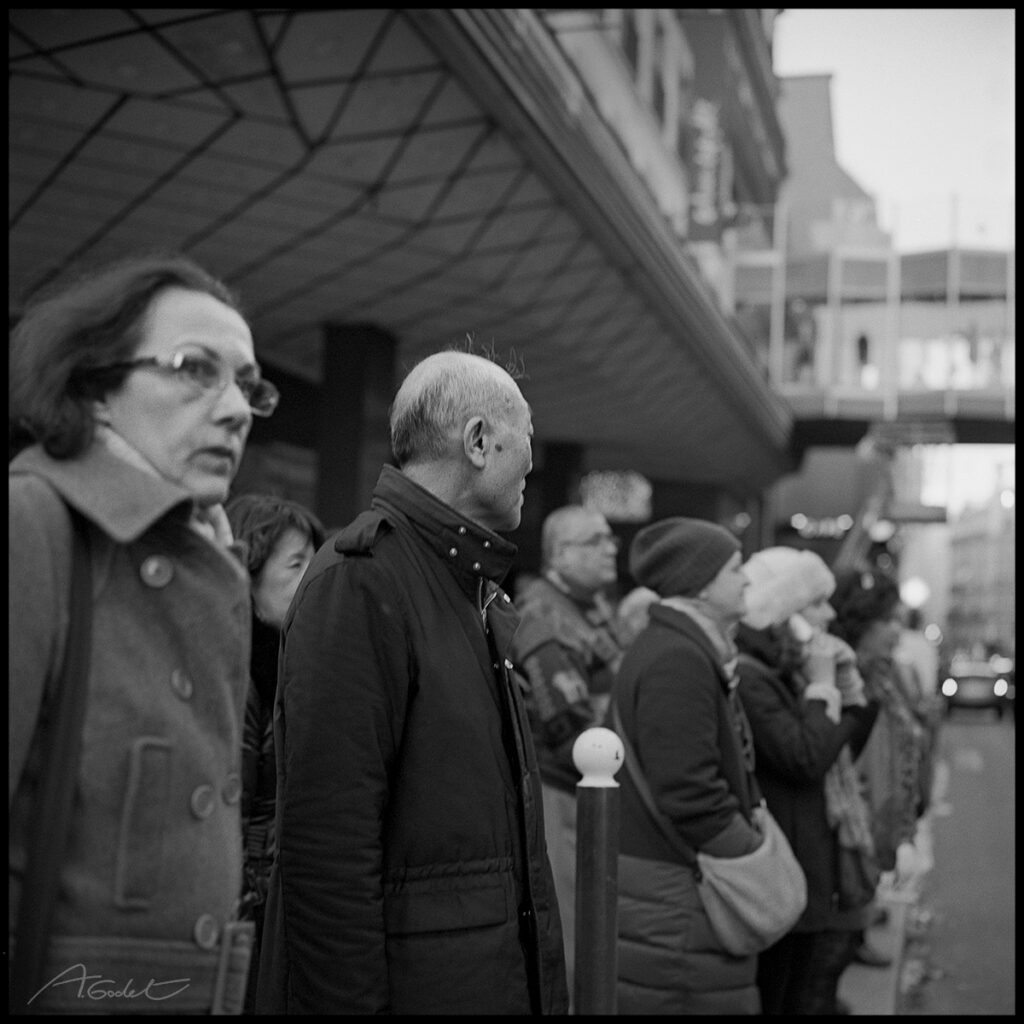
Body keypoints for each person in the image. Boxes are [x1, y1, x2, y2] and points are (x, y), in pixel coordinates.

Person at [255, 349, 568, 1014]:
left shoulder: (468, 586)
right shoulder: (362, 582)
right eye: (526, 438)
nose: (530, 464)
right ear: (478, 442)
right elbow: (328, 848)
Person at [9, 254, 277, 1014]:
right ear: (96, 387)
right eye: (196, 370)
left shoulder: (209, 557)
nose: (235, 409)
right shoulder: (33, 524)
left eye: (247, 385)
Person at [607, 516, 762, 1015]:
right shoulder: (678, 657)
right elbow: (689, 791)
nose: (747, 579)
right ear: (700, 583)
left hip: (670, 887)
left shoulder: (679, 646)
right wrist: (753, 855)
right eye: (735, 568)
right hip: (676, 890)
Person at [735, 547, 880, 1015]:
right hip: (786, 869)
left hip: (808, 863)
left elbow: (842, 746)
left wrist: (849, 691)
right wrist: (823, 685)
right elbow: (805, 757)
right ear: (784, 614)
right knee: (786, 994)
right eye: (816, 603)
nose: (830, 614)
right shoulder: (755, 678)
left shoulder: (789, 671)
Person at [512, 504, 627, 1000]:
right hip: (564, 794)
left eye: (609, 538)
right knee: (577, 940)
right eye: (594, 541)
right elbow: (571, 733)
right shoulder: (544, 614)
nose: (610, 548)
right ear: (559, 554)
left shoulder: (588, 607)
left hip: (587, 793)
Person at [224, 493, 325, 1015]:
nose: (313, 577)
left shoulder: (294, 661)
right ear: (248, 573)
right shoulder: (237, 673)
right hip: (244, 917)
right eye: (295, 564)